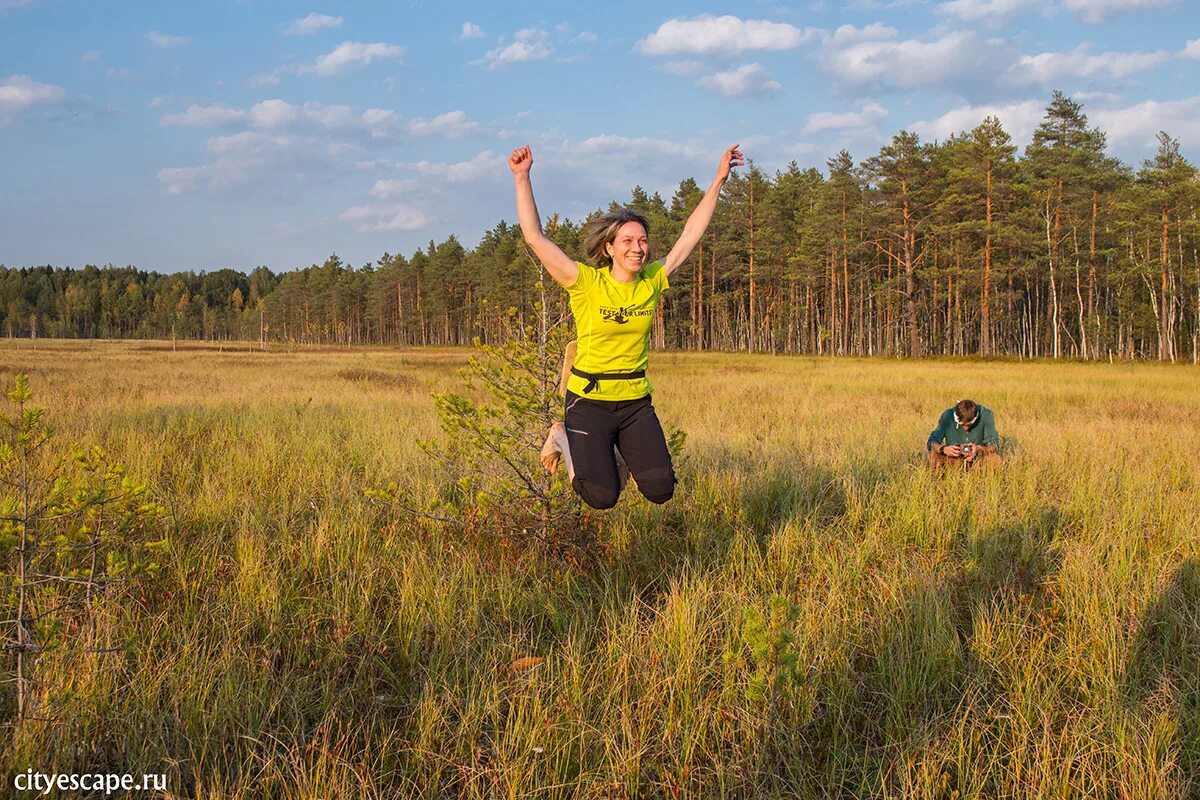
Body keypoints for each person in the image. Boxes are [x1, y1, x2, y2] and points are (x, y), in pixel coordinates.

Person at [510, 141, 744, 509]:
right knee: (602, 497)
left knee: (660, 489)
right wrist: (522, 177)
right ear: (610, 248)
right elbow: (535, 238)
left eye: (643, 241)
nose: (638, 247)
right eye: (629, 241)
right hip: (588, 401)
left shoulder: (651, 280)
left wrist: (718, 180)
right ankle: (561, 436)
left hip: (634, 401)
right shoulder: (586, 283)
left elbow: (689, 236)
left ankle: (614, 452)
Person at [927, 398, 1003, 468]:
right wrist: (943, 449)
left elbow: (994, 446)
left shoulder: (986, 414)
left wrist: (978, 449)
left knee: (997, 461)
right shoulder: (947, 415)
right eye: (961, 425)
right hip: (952, 458)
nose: (965, 428)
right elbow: (932, 442)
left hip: (978, 459)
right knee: (932, 457)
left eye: (969, 425)